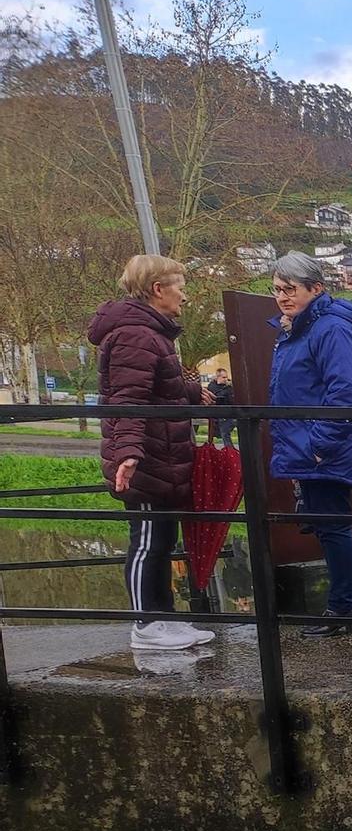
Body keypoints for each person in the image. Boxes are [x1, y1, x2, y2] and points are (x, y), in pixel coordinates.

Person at [89, 253, 216, 652]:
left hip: (161, 454)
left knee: (160, 539)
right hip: (147, 457)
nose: (184, 294)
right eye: (179, 285)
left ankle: (164, 619)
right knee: (148, 540)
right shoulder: (136, 335)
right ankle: (146, 624)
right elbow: (128, 399)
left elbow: (159, 387)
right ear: (157, 289)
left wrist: (195, 392)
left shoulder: (150, 332)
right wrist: (128, 453)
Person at [267, 252, 352, 637]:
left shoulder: (329, 329)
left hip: (321, 447)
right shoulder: (298, 328)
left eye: (290, 290)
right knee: (327, 526)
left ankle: (343, 609)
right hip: (307, 444)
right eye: (277, 290)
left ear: (316, 288)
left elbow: (344, 392)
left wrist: (318, 445)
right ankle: (342, 608)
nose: (282, 297)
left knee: (333, 526)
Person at [208, 365, 235, 448]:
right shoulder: (212, 386)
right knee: (224, 427)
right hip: (220, 415)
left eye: (226, 377)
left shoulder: (228, 387)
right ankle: (230, 449)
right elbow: (217, 398)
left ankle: (230, 449)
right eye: (223, 377)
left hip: (231, 413)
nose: (226, 379)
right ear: (217, 377)